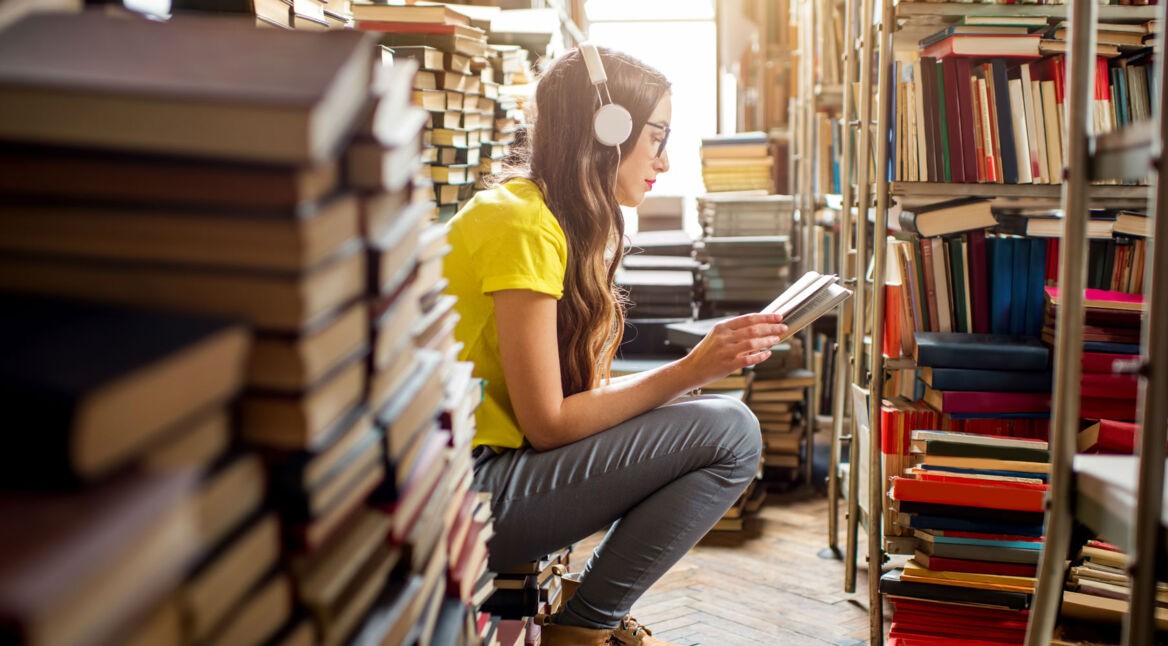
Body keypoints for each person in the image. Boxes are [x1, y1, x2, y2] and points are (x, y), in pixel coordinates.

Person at [442, 45, 786, 646]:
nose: (666, 160)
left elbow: (560, 409)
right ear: (609, 129)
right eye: (657, 137)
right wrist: (686, 371)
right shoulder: (520, 224)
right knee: (731, 433)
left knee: (702, 417)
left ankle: (585, 621)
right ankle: (583, 632)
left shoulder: (542, 217)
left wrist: (681, 384)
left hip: (480, 478)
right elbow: (549, 424)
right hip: (462, 495)